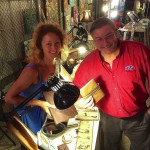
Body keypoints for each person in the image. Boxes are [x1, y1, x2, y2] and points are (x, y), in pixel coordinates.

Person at [73, 17, 150, 150]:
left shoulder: (139, 51)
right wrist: (80, 102)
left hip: (138, 117)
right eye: (99, 39)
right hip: (108, 119)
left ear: (116, 32)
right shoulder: (88, 63)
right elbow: (75, 91)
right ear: (93, 40)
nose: (105, 43)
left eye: (109, 36)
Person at [5, 22, 66, 134]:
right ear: (40, 45)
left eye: (57, 43)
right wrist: (40, 103)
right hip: (29, 114)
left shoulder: (54, 63)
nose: (54, 48)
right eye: (49, 44)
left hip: (44, 109)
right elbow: (8, 98)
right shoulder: (32, 71)